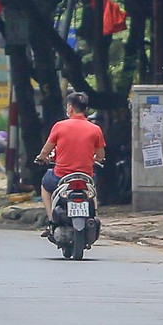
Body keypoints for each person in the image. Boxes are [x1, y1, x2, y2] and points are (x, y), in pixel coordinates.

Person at [34, 92, 105, 227]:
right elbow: (100, 156)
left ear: (70, 107)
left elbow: (45, 151)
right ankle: (94, 215)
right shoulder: (96, 129)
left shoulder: (60, 126)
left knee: (45, 186)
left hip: (61, 177)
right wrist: (94, 159)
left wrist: (41, 158)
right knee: (92, 191)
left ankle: (51, 221)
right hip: (85, 177)